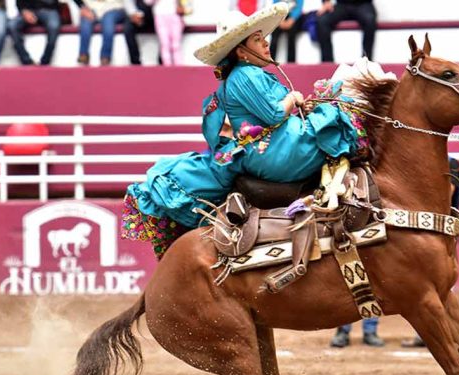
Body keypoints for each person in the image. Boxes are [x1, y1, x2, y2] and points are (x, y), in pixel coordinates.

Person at [121, 2, 369, 259]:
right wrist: (293, 98)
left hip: (274, 145)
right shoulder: (244, 75)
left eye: (264, 39)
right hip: (275, 150)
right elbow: (273, 114)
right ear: (242, 51)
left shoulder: (247, 74)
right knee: (340, 112)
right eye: (258, 40)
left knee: (333, 110)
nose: (266, 44)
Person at [401, 157, 459, 348]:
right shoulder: (449, 163)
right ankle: (439, 333)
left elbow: (448, 191)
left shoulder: (448, 164)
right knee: (435, 287)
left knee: (436, 287)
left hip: (439, 232)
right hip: (439, 232)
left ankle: (442, 333)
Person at [74, 0, 130, 65]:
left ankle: (105, 57)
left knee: (108, 21)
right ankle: (83, 54)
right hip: (91, 7)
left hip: (114, 7)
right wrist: (83, 7)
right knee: (86, 22)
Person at [7, 0, 61, 65]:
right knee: (12, 26)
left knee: (54, 26)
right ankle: (27, 61)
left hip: (49, 9)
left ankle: (44, 63)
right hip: (27, 9)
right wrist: (24, 11)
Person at [144, 0, 189, 65]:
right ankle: (167, 66)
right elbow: (147, 2)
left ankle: (179, 66)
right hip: (160, 17)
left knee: (176, 44)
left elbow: (186, 4)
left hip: (175, 16)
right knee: (165, 44)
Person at [124, 0, 154, 65]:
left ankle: (163, 60)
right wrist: (134, 14)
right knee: (128, 28)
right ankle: (135, 62)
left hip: (157, 13)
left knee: (165, 28)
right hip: (138, 13)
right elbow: (128, 2)